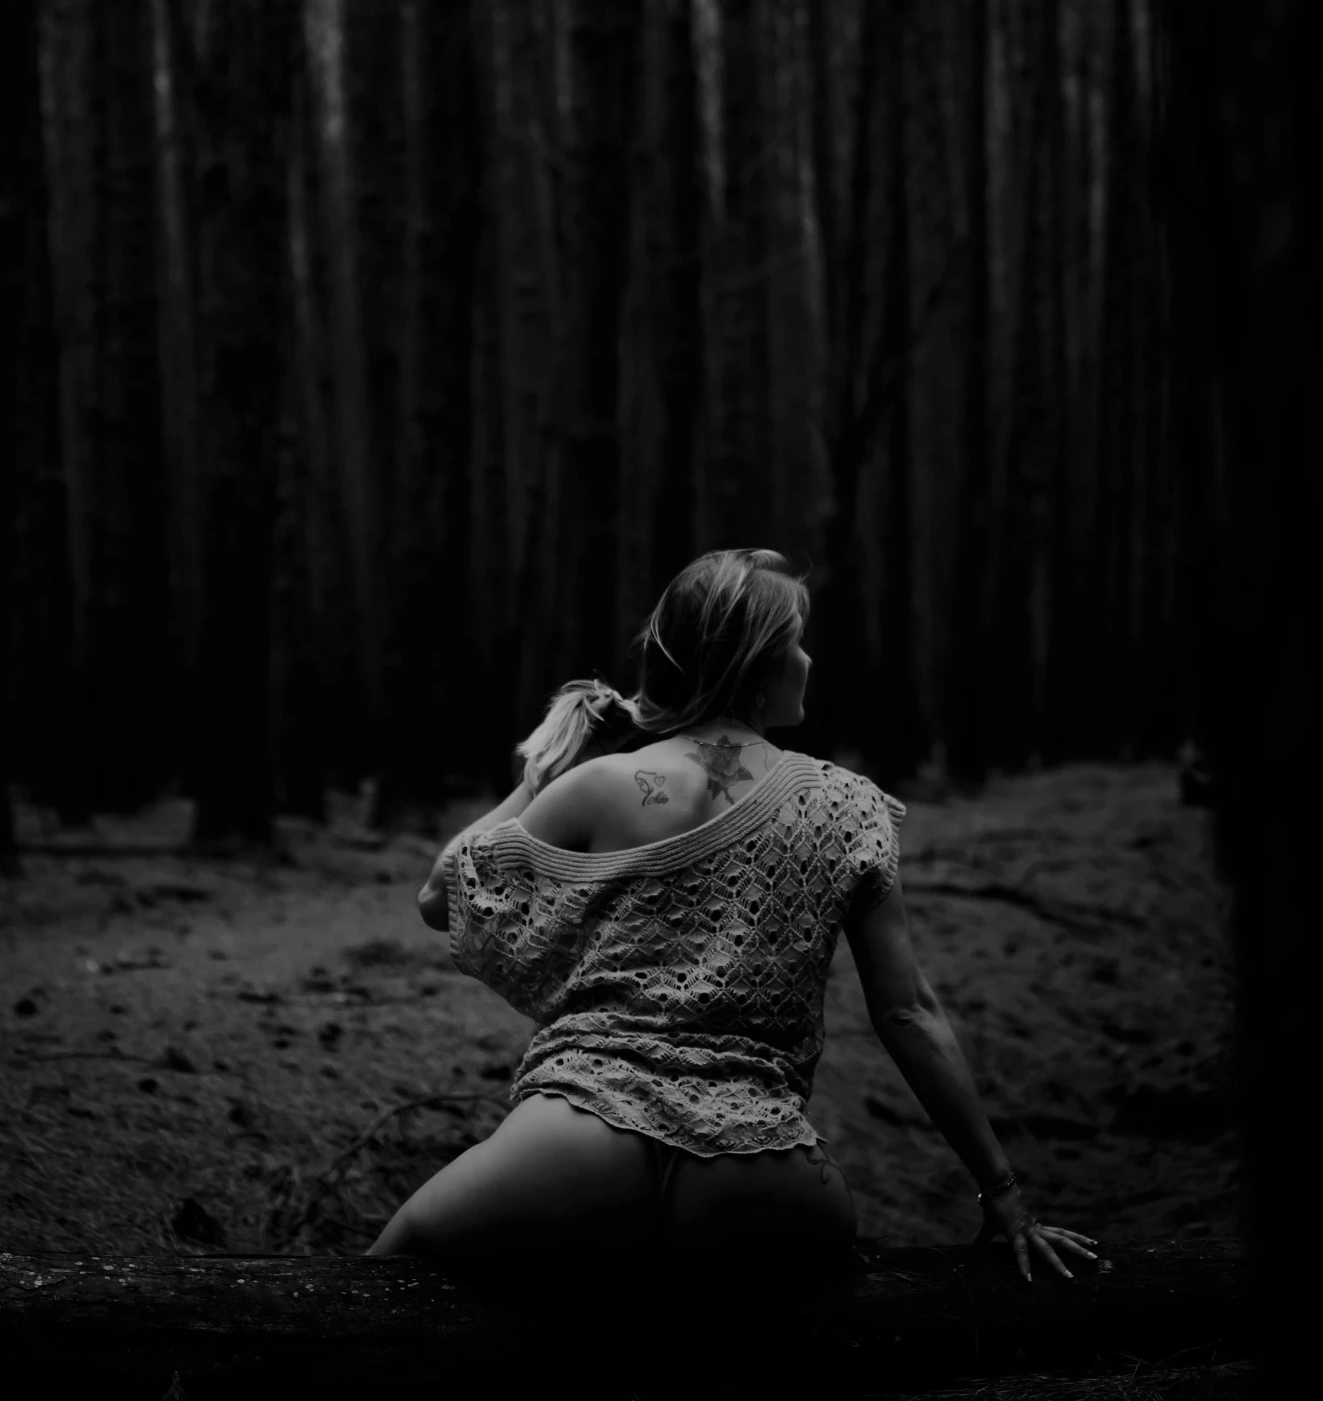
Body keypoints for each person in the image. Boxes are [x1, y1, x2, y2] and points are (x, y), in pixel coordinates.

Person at [368, 548, 1099, 1281]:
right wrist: (1003, 1195)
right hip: (765, 1172)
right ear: (759, 659)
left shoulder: (601, 785)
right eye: (797, 641)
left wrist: (542, 779)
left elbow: (441, 895)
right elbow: (907, 1013)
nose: (808, 660)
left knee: (381, 1279)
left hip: (577, 1138)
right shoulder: (846, 807)